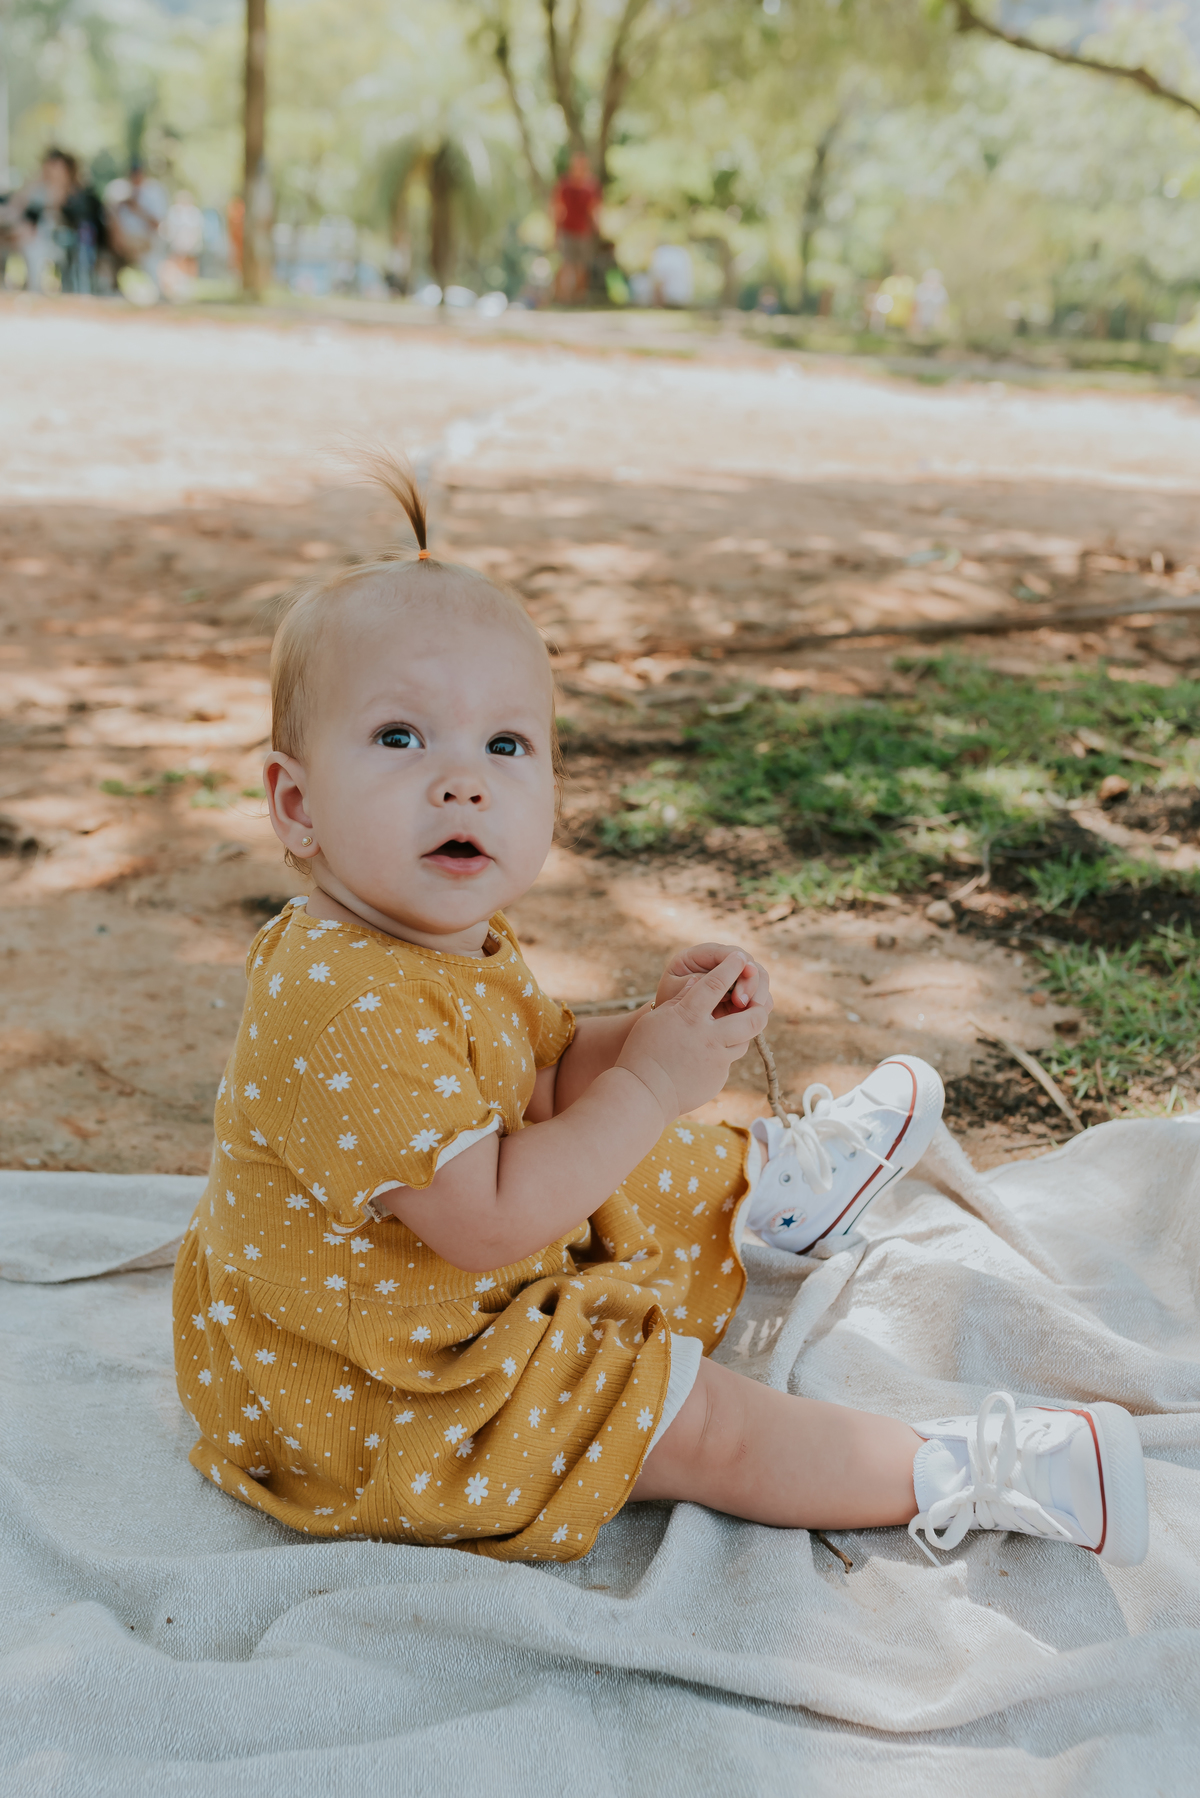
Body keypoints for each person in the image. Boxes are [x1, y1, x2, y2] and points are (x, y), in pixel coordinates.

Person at [173, 458, 1150, 1569]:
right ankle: (956, 1469)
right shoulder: (344, 1000)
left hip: (430, 1297)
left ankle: (774, 1191)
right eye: (401, 738)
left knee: (613, 1142)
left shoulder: (431, 938)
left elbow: (537, 1077)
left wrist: (658, 1031)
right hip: (379, 1395)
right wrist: (647, 1084)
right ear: (296, 804)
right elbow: (490, 1218)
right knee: (698, 1421)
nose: (463, 782)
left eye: (505, 744)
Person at [551, 152, 600, 303]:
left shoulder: (591, 186)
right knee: (566, 264)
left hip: (583, 231)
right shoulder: (564, 185)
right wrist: (555, 230)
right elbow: (558, 209)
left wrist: (597, 229)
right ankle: (562, 298)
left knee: (582, 266)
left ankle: (578, 298)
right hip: (567, 230)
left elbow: (594, 210)